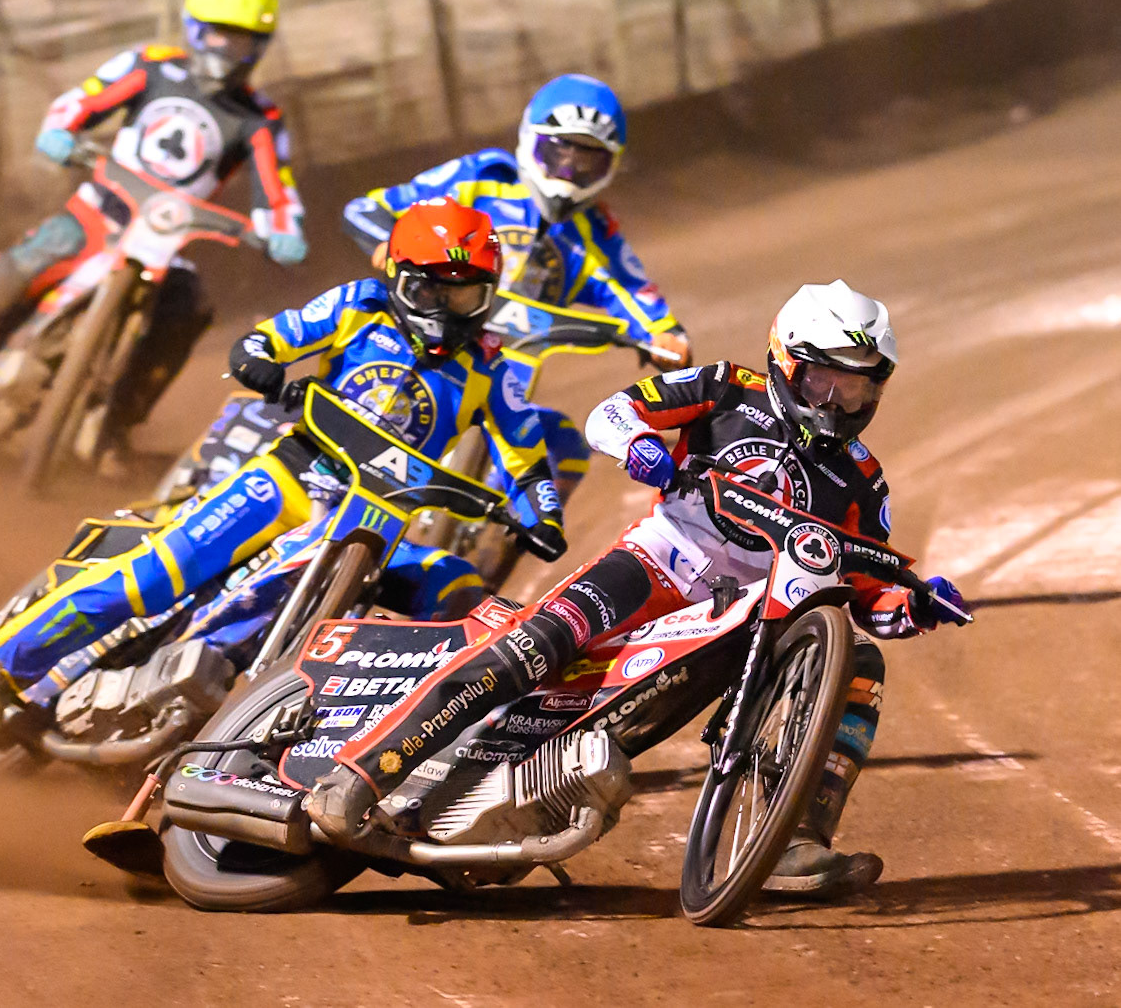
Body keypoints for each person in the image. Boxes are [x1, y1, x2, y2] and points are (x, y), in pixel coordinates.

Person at [305, 280, 971, 897]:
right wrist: (639, 447)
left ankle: (794, 840)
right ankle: (360, 773)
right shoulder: (723, 387)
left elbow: (862, 591)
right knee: (541, 639)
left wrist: (911, 604)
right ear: (782, 359)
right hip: (655, 562)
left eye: (854, 389)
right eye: (821, 378)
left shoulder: (862, 480)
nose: (835, 401)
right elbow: (612, 413)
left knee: (856, 661)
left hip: (747, 616)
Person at [0, 198, 568, 734]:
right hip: (292, 477)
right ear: (400, 277)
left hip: (381, 521)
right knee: (156, 574)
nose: (445, 306)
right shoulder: (361, 305)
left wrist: (541, 514)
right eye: (430, 287)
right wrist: (263, 365)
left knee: (436, 598)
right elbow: (267, 340)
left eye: (462, 291)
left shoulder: (492, 368)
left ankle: (383, 749)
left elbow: (526, 456)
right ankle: (3, 666)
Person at [0, 0, 307, 461]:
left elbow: (278, 189)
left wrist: (283, 231)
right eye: (218, 35)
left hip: (165, 246)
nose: (227, 50)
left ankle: (111, 429)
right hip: (92, 219)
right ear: (194, 28)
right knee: (5, 282)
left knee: (188, 305)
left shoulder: (260, 118)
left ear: (259, 45)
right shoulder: (151, 66)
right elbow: (79, 103)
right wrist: (61, 132)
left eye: (239, 40)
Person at [343, 73, 690, 496]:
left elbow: (631, 290)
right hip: (422, 326)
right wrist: (385, 238)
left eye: (587, 162)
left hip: (506, 365)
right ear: (530, 138)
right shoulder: (484, 177)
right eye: (558, 153)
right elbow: (370, 208)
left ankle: (496, 545)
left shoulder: (594, 233)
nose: (568, 172)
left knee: (567, 451)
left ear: (610, 164)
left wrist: (665, 333)